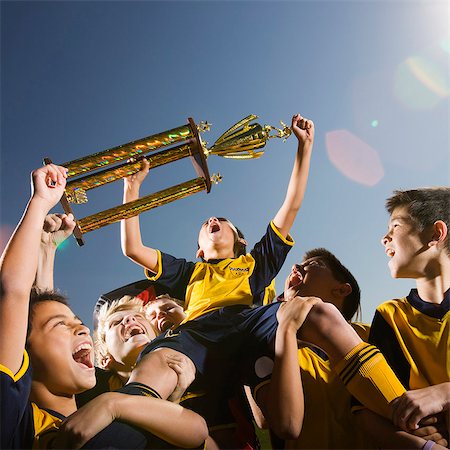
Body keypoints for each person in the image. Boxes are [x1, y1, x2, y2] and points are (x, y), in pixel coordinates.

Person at [0, 164, 208, 449]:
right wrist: (39, 204)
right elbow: (14, 295)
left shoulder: (103, 408)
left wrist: (117, 404)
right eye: (63, 325)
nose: (83, 327)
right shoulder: (17, 422)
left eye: (77, 322)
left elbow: (198, 431)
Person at [354, 187, 450, 449]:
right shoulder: (390, 315)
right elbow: (366, 414)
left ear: (435, 234)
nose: (384, 238)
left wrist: (444, 393)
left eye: (395, 226)